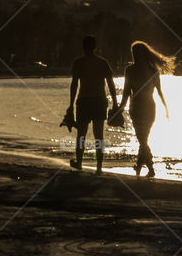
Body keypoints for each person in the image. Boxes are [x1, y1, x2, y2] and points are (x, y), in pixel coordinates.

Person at [117, 41, 171, 177]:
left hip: (138, 107)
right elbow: (126, 92)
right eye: (133, 53)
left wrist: (166, 108)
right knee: (143, 138)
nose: (134, 55)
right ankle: (139, 167)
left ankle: (150, 168)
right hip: (146, 107)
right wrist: (119, 110)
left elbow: (126, 93)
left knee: (142, 139)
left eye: (136, 53)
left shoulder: (131, 70)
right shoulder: (152, 70)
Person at [67, 35, 118, 175]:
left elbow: (74, 85)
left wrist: (71, 104)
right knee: (99, 135)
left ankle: (79, 162)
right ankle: (99, 167)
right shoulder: (102, 62)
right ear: (95, 47)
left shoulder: (78, 62)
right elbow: (111, 84)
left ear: (83, 47)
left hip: (84, 100)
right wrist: (115, 102)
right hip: (99, 101)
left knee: (81, 134)